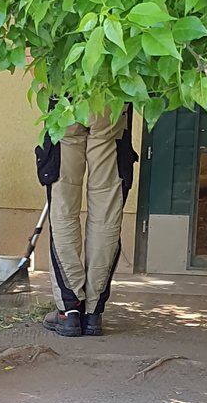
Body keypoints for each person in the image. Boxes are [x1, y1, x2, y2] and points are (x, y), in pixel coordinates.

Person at [34, 106, 138, 337]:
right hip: (110, 98)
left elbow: (34, 71)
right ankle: (92, 313)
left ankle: (69, 311)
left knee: (63, 212)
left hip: (65, 100)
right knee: (105, 215)